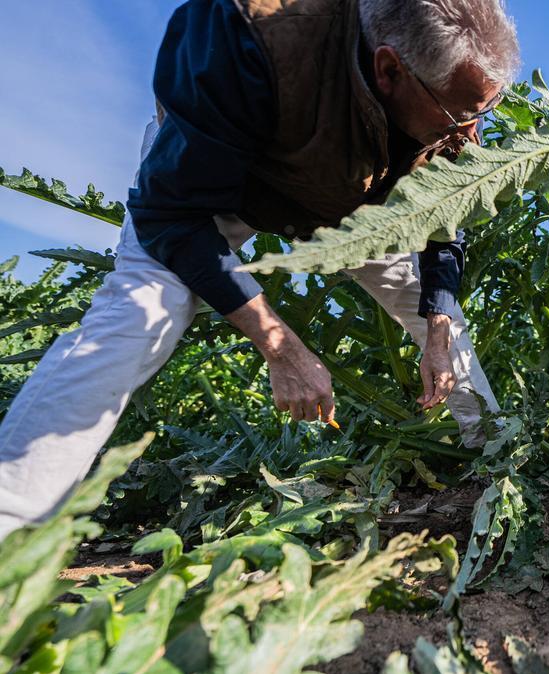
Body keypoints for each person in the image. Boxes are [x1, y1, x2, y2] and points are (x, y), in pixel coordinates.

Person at [0, 0, 519, 540]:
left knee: (432, 308)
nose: (472, 126)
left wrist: (437, 326)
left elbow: (443, 215)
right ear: (390, 69)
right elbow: (172, 217)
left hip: (358, 196)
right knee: (142, 313)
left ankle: (497, 454)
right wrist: (281, 348)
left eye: (483, 109)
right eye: (461, 114)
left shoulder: (452, 103)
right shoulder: (248, 35)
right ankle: (11, 526)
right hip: (222, 188)